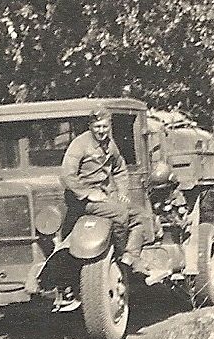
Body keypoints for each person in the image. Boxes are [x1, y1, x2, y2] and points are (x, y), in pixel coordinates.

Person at [60, 108, 154, 274]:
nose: (101, 131)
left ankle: (131, 257)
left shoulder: (110, 144)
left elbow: (120, 168)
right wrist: (88, 193)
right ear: (90, 126)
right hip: (83, 201)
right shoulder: (80, 144)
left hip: (104, 196)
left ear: (110, 125)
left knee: (140, 216)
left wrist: (123, 192)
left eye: (104, 126)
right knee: (120, 214)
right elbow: (67, 175)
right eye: (97, 127)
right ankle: (118, 256)